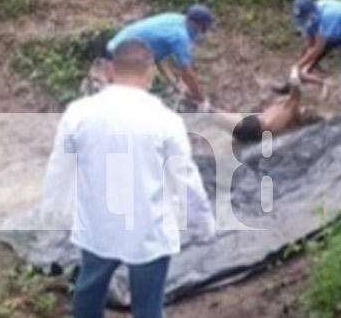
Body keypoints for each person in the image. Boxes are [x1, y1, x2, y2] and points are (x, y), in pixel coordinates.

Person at [41, 39, 215, 318]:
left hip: (98, 225)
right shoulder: (165, 120)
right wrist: (202, 218)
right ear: (151, 72)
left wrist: (51, 211)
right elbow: (184, 176)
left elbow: (60, 167)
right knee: (148, 307)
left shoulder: (79, 113)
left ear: (111, 69)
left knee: (89, 291)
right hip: (148, 229)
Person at [106, 4, 215, 110]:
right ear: (194, 24)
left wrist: (174, 84)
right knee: (132, 97)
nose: (203, 33)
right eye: (203, 28)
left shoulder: (176, 19)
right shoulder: (180, 36)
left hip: (118, 47)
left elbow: (157, 58)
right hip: (122, 55)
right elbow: (186, 72)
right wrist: (201, 100)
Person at [290, 0, 341, 109]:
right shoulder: (309, 19)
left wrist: (297, 66)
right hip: (331, 34)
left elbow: (318, 48)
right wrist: (301, 68)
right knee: (305, 55)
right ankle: (289, 86)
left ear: (312, 14)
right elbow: (310, 45)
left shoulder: (327, 16)